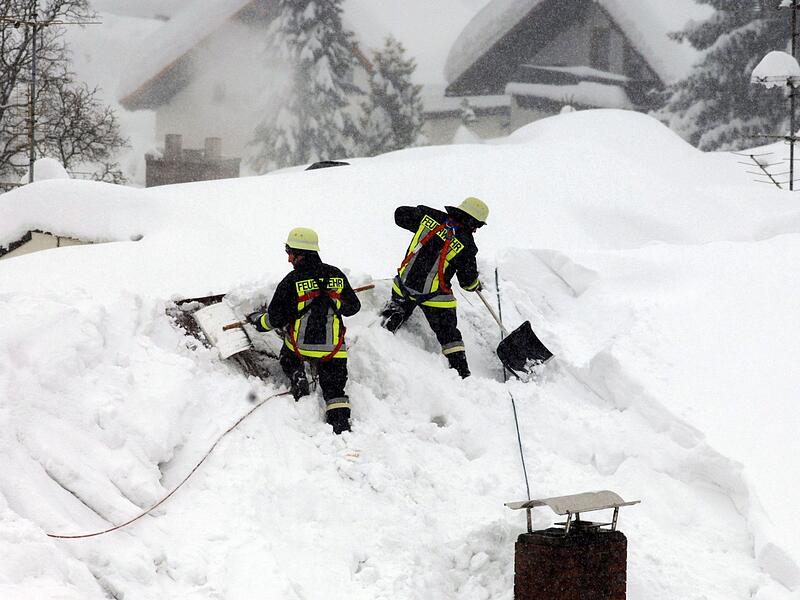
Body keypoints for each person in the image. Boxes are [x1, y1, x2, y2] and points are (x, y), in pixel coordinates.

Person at [248, 227, 361, 434]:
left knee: (287, 356)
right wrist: (336, 302)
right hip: (333, 350)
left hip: (300, 347)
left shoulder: (291, 282)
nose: (288, 259)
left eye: (290, 252)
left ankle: (297, 374)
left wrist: (258, 322)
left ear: (301, 254)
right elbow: (354, 307)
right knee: (335, 387)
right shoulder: (336, 275)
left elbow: (275, 319)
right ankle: (340, 424)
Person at [381, 197, 488, 378]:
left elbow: (400, 214)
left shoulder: (428, 216)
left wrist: (421, 216)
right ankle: (462, 373)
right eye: (477, 225)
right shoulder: (467, 245)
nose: (476, 230)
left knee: (396, 309)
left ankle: (384, 332)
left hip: (403, 287)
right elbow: (467, 282)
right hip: (434, 298)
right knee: (449, 334)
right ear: (471, 220)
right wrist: (476, 284)